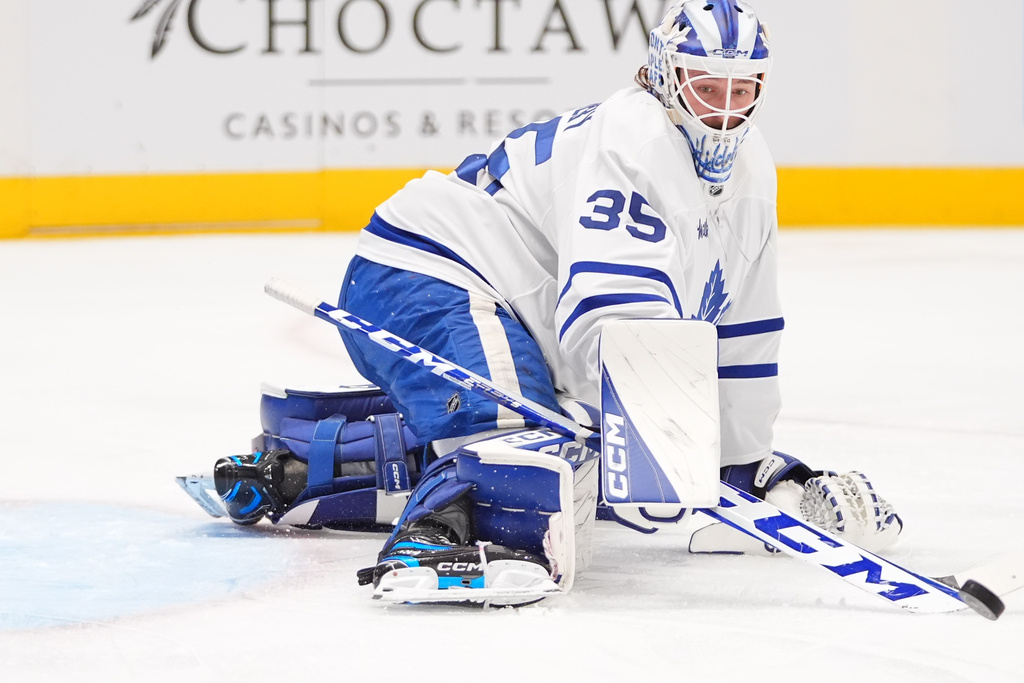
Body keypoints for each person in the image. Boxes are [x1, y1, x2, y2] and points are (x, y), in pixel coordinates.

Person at [207, 0, 901, 602]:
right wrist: (665, 458)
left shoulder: (753, 173)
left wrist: (741, 465)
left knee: (570, 458)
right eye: (703, 86)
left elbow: (745, 334)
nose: (722, 110)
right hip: (426, 274)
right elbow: (611, 320)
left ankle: (304, 468)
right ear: (664, 75)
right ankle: (425, 543)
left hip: (502, 312)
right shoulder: (636, 137)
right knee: (527, 450)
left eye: (739, 90)